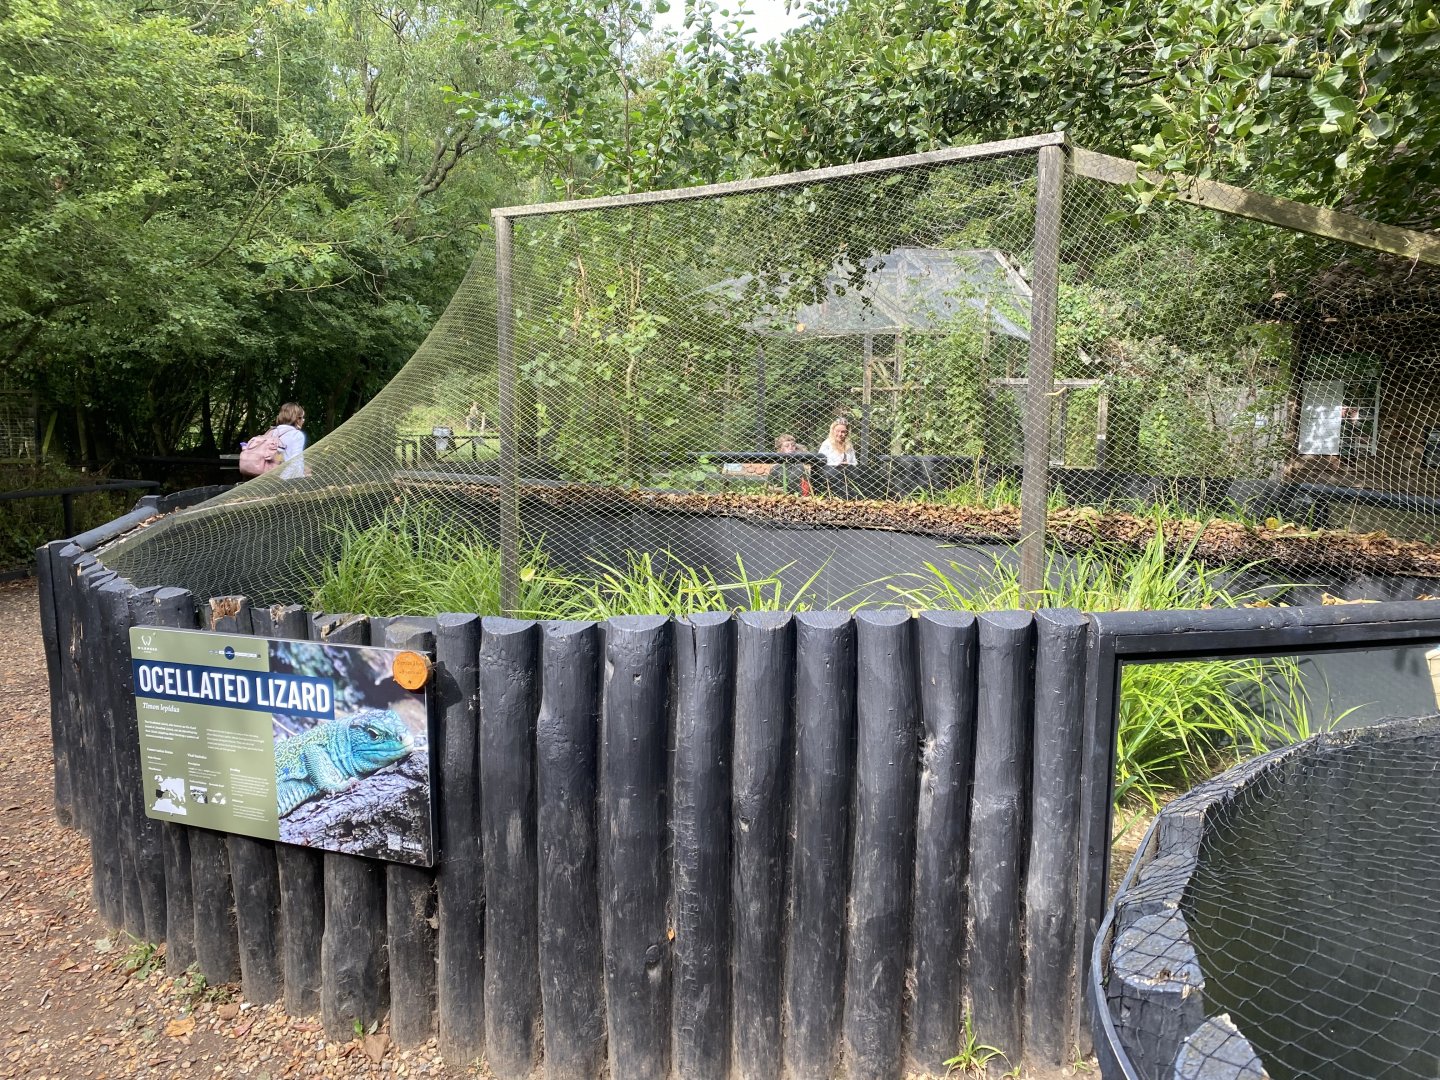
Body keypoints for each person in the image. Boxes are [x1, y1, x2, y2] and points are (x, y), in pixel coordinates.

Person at [273, 402, 307, 478]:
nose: (303, 420)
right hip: (290, 480)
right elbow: (295, 461)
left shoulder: (274, 432)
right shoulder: (297, 435)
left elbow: (277, 456)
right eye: (302, 417)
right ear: (297, 419)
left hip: (272, 476)